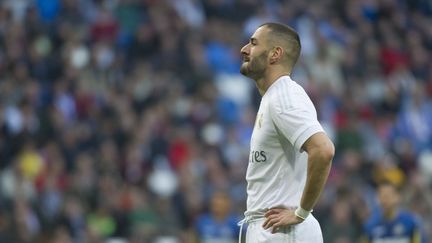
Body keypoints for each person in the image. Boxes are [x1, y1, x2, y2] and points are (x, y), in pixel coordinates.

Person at [238, 22, 335, 242]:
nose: (244, 49)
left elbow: (323, 149)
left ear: (275, 54)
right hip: (273, 229)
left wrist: (301, 212)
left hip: (282, 233)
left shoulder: (284, 95)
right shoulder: (273, 97)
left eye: (253, 43)